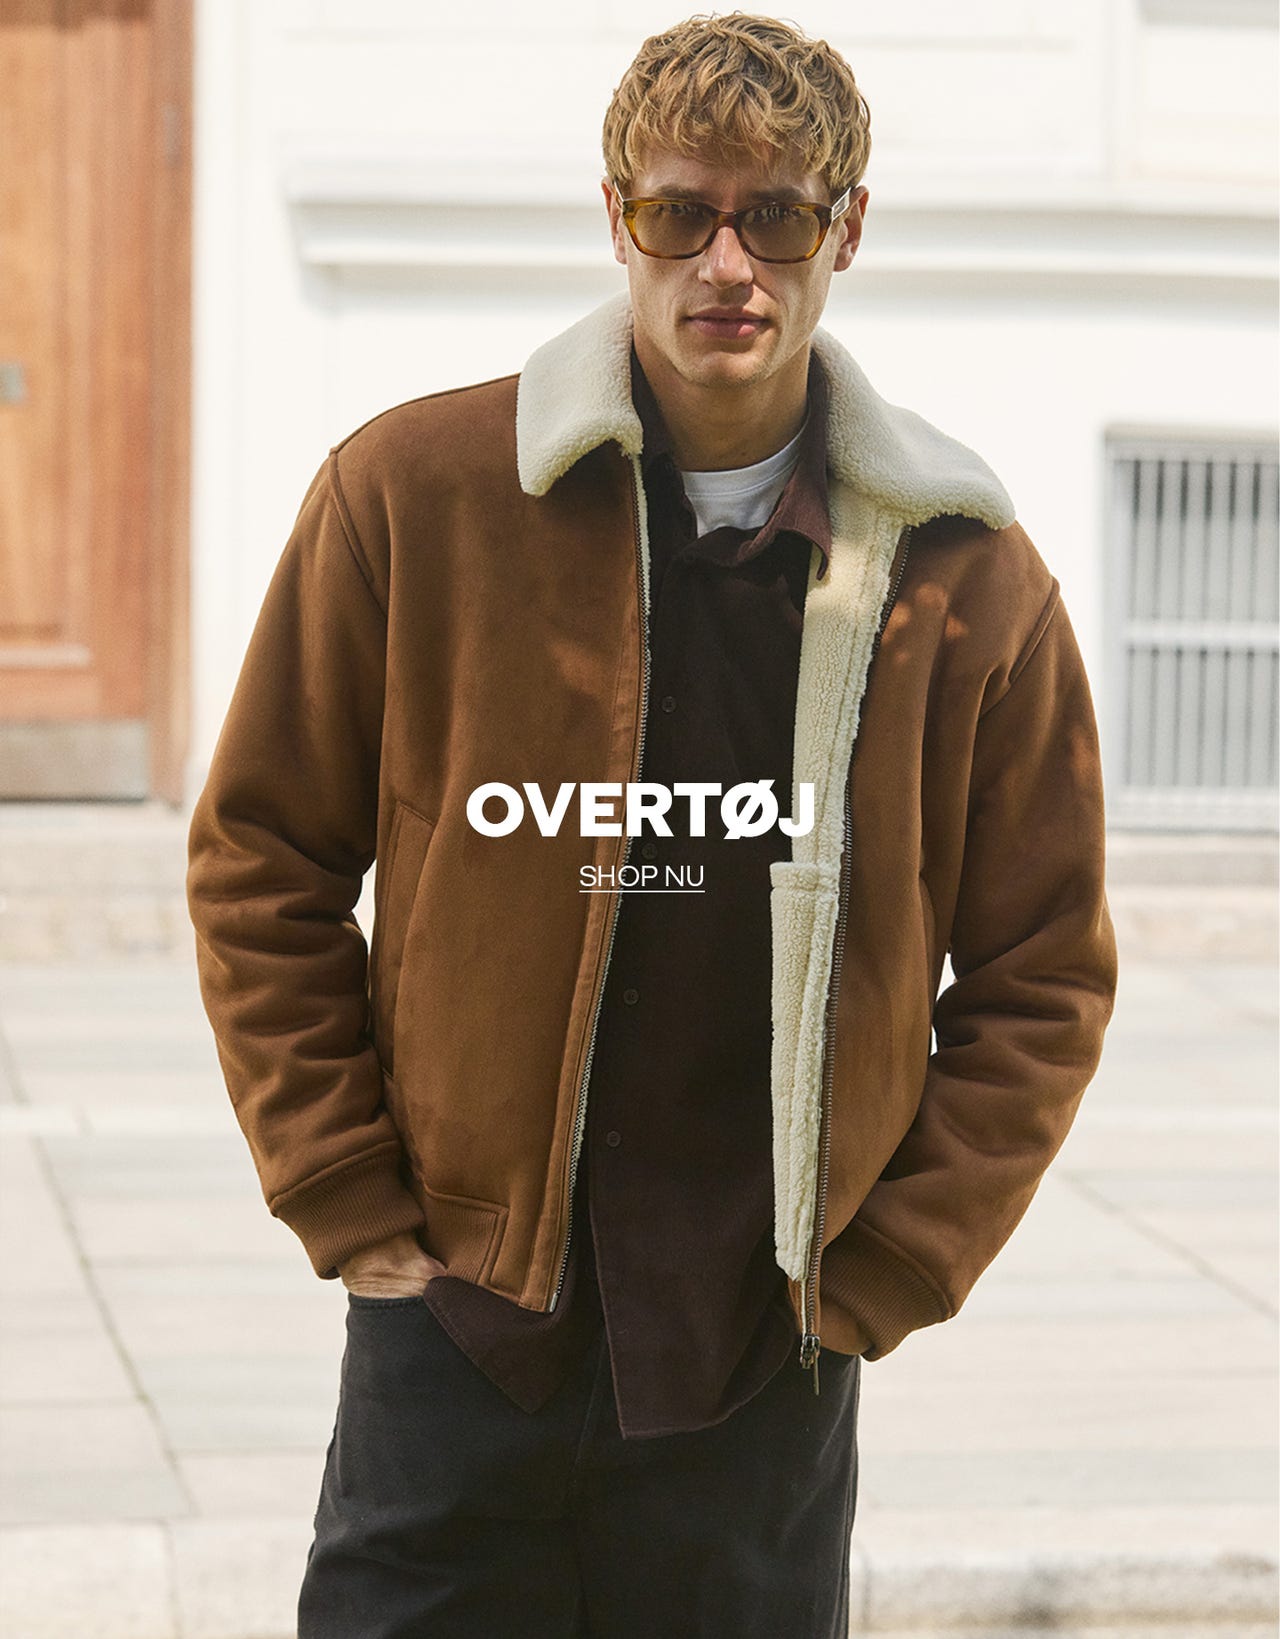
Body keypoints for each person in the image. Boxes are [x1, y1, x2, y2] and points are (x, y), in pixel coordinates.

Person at [185, 14, 1118, 1638]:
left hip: (758, 1359)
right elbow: (259, 859)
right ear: (616, 217)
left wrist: (887, 1267)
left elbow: (1046, 972)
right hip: (460, 1328)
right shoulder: (412, 495)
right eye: (681, 212)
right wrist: (347, 1195)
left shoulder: (966, 578)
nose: (727, 264)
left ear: (848, 231)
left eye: (780, 218)